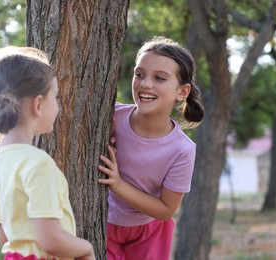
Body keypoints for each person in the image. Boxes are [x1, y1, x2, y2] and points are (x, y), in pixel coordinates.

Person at [0, 46, 95, 260]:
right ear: (39, 105)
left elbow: (6, 237)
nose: (58, 106)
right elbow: (51, 241)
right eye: (56, 97)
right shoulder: (37, 163)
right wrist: (86, 248)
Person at [98, 36, 205, 260]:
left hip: (149, 232)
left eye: (159, 78)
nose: (145, 83)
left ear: (182, 92)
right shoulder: (111, 117)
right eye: (139, 74)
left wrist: (118, 184)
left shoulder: (182, 149)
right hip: (101, 223)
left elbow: (166, 209)